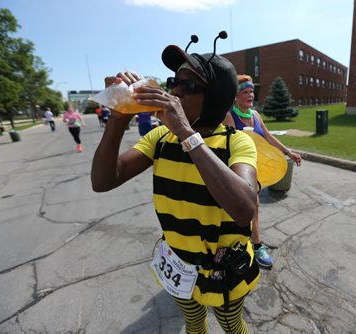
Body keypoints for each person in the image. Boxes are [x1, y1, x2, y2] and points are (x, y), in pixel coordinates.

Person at [91, 40, 260, 333]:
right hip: (179, 266)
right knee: (193, 323)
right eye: (175, 82)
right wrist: (118, 118)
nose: (175, 91)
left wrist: (186, 132)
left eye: (189, 85)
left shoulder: (237, 142)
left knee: (231, 324)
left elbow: (244, 209)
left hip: (226, 270)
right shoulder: (160, 139)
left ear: (216, 96)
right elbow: (103, 181)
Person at [222, 74, 302, 269]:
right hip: (234, 168)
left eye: (252, 91)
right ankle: (251, 245)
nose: (250, 95)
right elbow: (224, 144)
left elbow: (268, 137)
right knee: (249, 206)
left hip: (255, 169)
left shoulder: (255, 115)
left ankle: (252, 243)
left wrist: (288, 152)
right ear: (236, 96)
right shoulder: (229, 115)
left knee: (252, 207)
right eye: (245, 92)